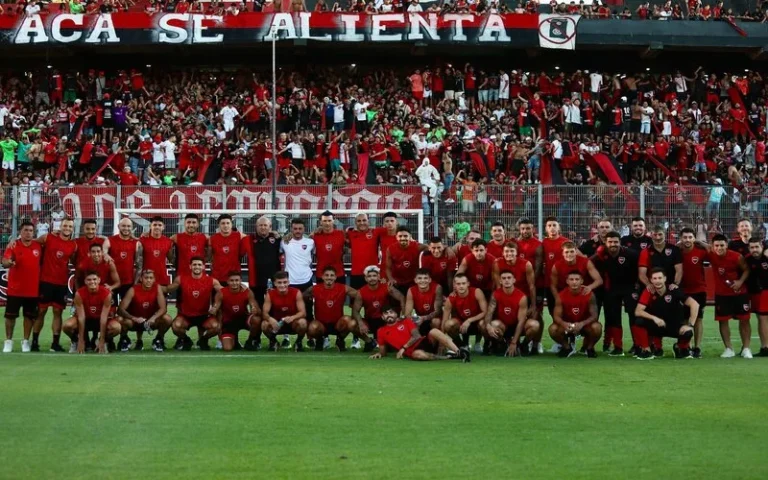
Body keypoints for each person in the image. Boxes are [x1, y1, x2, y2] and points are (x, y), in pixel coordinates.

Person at [634, 268, 700, 360]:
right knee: (638, 322)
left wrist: (690, 325)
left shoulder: (674, 290)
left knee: (688, 332)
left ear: (665, 278)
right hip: (658, 325)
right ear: (651, 280)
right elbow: (638, 311)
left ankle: (680, 348)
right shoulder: (648, 291)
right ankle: (646, 350)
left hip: (674, 325)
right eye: (655, 278)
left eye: (660, 278)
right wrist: (654, 318)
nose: (657, 281)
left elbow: (695, 304)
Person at [591, 231, 639, 356]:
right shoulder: (602, 254)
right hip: (611, 288)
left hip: (630, 287)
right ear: (606, 243)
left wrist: (638, 286)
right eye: (610, 242)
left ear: (620, 242)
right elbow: (587, 263)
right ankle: (618, 347)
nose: (613, 244)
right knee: (613, 317)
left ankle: (638, 345)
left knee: (634, 316)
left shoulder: (631, 254)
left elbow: (641, 269)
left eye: (616, 242)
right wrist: (596, 255)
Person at [35, 217, 78, 352]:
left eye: (70, 226)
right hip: (45, 281)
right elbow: (32, 245)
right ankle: (34, 342)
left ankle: (55, 343)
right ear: (60, 226)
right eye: (65, 226)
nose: (67, 228)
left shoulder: (73, 245)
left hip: (61, 283)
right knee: (41, 311)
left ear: (73, 228)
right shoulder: (48, 238)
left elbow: (74, 261)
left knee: (57, 312)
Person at [369, 305, 470, 362]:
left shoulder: (406, 321)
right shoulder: (381, 331)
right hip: (412, 351)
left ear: (396, 314)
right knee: (418, 355)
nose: (389, 315)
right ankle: (449, 357)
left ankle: (459, 352)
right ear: (382, 317)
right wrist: (379, 354)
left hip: (424, 342)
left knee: (434, 331)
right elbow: (383, 351)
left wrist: (403, 348)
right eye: (386, 314)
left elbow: (416, 336)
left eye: (391, 312)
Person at [164, 257, 223, 351]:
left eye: (199, 265)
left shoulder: (212, 281)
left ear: (203, 267)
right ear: (190, 266)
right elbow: (168, 289)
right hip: (186, 316)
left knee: (216, 327)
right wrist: (154, 287)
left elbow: (224, 292)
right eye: (194, 264)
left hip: (204, 316)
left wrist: (241, 287)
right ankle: (187, 340)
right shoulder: (181, 279)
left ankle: (203, 340)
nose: (197, 267)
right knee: (176, 326)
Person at [708, 234, 752, 359]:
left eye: (722, 245)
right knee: (723, 321)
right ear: (713, 246)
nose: (719, 248)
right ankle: (729, 349)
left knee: (744, 320)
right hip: (722, 295)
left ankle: (746, 348)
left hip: (739, 294)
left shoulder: (736, 256)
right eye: (716, 245)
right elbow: (702, 245)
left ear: (727, 245)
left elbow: (746, 270)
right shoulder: (711, 255)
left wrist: (740, 282)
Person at [2, 221, 42, 353]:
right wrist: (9, 262)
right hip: (15, 289)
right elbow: (5, 261)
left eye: (31, 230)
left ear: (34, 232)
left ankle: (26, 341)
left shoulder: (38, 246)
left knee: (29, 316)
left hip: (32, 290)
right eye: (25, 230)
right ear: (20, 231)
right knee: (10, 316)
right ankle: (8, 341)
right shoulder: (13, 245)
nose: (28, 233)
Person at [303, 267, 363, 352]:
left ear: (335, 277)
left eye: (332, 275)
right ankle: (319, 340)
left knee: (349, 321)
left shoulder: (343, 288)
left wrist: (354, 305)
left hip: (338, 324)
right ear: (322, 277)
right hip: (321, 324)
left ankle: (340, 340)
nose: (329, 277)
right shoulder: (314, 289)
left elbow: (360, 295)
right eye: (326, 275)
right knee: (312, 327)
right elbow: (300, 297)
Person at [484, 270, 540, 356]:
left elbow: (521, 322)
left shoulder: (522, 297)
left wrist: (514, 342)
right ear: (500, 281)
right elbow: (489, 313)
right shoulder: (495, 294)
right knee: (493, 324)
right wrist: (488, 326)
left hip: (518, 327)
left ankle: (523, 346)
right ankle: (502, 343)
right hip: (503, 327)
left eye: (509, 278)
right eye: (504, 278)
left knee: (535, 325)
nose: (506, 280)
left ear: (514, 280)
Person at [63, 271, 120, 354]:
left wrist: (102, 339)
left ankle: (103, 342)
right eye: (89, 280)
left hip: (100, 320)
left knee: (117, 327)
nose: (92, 282)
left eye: (94, 279)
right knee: (67, 325)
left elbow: (104, 318)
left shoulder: (106, 293)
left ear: (99, 280)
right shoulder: (79, 293)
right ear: (85, 281)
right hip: (86, 320)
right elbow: (81, 317)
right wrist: (81, 340)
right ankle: (75, 341)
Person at [116, 269, 173, 352]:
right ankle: (124, 339)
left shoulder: (157, 288)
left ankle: (158, 339)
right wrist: (134, 318)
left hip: (151, 322)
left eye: (151, 278)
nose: (148, 280)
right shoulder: (133, 290)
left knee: (167, 319)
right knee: (120, 319)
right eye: (146, 278)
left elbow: (163, 308)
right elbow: (120, 310)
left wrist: (153, 318)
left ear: (154, 279)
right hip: (135, 322)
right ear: (141, 279)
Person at [549, 271, 601, 358]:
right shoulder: (561, 295)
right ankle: (567, 347)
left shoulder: (589, 294)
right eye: (571, 279)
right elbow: (556, 316)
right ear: (567, 281)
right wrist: (564, 324)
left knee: (597, 327)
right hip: (568, 325)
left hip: (584, 325)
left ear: (582, 281)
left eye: (577, 279)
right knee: (553, 329)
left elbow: (594, 316)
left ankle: (590, 348)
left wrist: (582, 324)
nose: (574, 282)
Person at [357, 265, 405, 351]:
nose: (372, 278)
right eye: (369, 276)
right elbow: (355, 311)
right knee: (353, 324)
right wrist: (361, 323)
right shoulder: (361, 292)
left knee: (392, 348)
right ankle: (369, 342)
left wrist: (403, 315)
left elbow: (402, 298)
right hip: (370, 320)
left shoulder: (387, 287)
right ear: (365, 278)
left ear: (378, 277)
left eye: (374, 276)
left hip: (385, 320)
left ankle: (393, 342)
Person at [210, 272, 261, 352]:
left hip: (243, 319)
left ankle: (249, 342)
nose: (234, 283)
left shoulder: (247, 292)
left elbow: (256, 308)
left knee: (257, 320)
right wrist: (214, 309)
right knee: (227, 348)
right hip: (228, 321)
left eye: (237, 280)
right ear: (227, 281)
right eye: (232, 280)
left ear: (241, 280)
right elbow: (216, 306)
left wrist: (254, 309)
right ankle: (235, 341)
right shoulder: (221, 293)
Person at [679, 227, 709, 358]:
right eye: (685, 237)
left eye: (690, 237)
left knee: (698, 319)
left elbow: (712, 250)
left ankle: (697, 347)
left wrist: (701, 242)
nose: (687, 240)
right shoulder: (677, 252)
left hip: (699, 290)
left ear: (694, 238)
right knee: (684, 319)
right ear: (681, 239)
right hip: (683, 290)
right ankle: (687, 346)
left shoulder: (700, 252)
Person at [262, 271, 309, 352]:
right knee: (264, 324)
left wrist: (292, 317)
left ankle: (298, 342)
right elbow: (264, 313)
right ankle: (273, 342)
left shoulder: (296, 292)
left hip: (293, 323)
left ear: (289, 282)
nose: (282, 285)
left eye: (285, 282)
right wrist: (270, 319)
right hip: (277, 324)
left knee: (303, 322)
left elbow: (303, 312)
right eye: (279, 283)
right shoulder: (270, 294)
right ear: (275, 283)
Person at [442, 273, 488, 347]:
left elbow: (485, 312)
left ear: (468, 284)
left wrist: (469, 320)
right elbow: (444, 321)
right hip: (461, 325)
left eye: (463, 283)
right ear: (454, 286)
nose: (461, 286)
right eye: (458, 284)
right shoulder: (450, 299)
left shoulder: (477, 292)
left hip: (477, 322)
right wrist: (442, 342)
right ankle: (460, 345)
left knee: (483, 324)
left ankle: (487, 345)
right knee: (448, 325)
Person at [541, 217, 569, 317]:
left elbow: (579, 257)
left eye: (554, 225)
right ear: (546, 229)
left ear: (559, 228)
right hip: (549, 284)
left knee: (567, 314)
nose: (552, 228)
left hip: (565, 284)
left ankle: (572, 332)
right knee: (554, 314)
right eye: (549, 226)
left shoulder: (566, 242)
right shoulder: (543, 243)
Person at [744, 238, 768, 357]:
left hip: (765, 291)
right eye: (752, 247)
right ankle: (764, 347)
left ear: (762, 246)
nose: (755, 250)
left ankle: (765, 347)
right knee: (760, 318)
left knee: (763, 319)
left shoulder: (766, 257)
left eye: (757, 247)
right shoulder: (747, 260)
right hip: (754, 292)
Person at [385, 226, 425, 297]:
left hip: (413, 282)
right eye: (400, 236)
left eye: (405, 236)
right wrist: (391, 279)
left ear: (410, 237)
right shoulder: (390, 249)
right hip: (397, 282)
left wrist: (447, 249)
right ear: (396, 237)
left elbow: (432, 247)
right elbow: (388, 268)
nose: (403, 238)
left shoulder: (418, 246)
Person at [403, 268, 444, 336]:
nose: (422, 280)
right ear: (415, 280)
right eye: (419, 278)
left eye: (425, 278)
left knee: (436, 322)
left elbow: (438, 311)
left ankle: (438, 344)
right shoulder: (411, 290)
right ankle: (419, 343)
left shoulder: (437, 288)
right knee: (410, 323)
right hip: (420, 317)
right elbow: (407, 313)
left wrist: (424, 318)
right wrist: (414, 320)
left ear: (430, 280)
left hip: (434, 317)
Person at [209, 214, 248, 284]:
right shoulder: (212, 239)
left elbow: (253, 239)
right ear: (219, 225)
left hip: (234, 278)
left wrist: (271, 233)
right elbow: (209, 256)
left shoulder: (239, 236)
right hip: (217, 277)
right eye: (223, 223)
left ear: (231, 224)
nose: (225, 225)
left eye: (228, 223)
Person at [138, 216, 174, 288]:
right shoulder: (142, 240)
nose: (157, 227)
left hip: (162, 279)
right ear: (150, 226)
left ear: (163, 227)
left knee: (161, 299)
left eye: (160, 225)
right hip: (146, 279)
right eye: (154, 225)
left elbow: (171, 259)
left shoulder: (168, 241)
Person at [171, 213, 209, 278]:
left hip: (199, 276)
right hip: (182, 276)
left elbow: (216, 248)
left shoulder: (205, 237)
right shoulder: (176, 237)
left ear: (198, 224)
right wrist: (148, 233)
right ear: (184, 224)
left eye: (194, 222)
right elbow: (161, 242)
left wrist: (206, 259)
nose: (191, 225)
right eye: (188, 222)